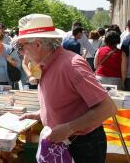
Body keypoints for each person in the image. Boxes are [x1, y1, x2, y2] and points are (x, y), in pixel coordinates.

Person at [18, 14, 117, 162]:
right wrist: (42, 113)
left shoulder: (71, 65)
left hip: (83, 146)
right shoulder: (47, 64)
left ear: (37, 44)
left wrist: (69, 128)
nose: (20, 52)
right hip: (68, 142)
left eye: (21, 46)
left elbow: (108, 108)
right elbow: (67, 100)